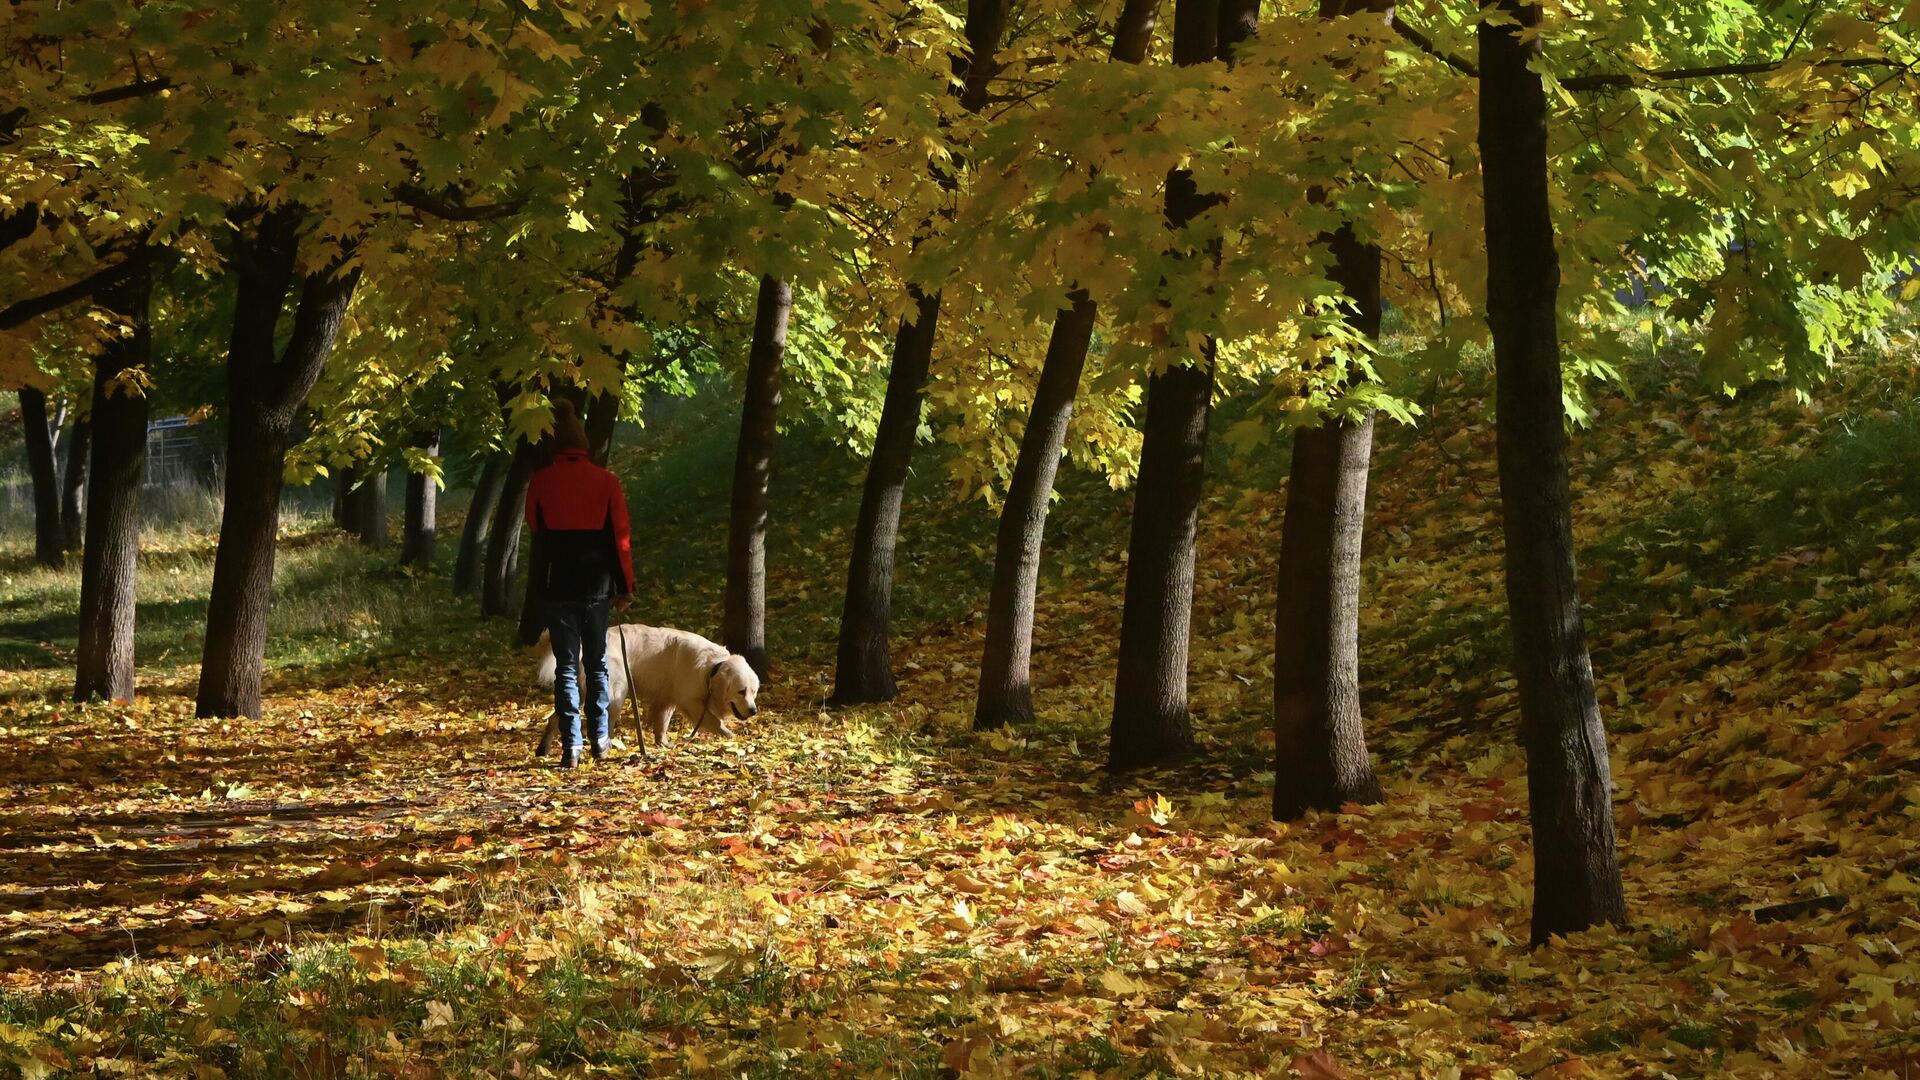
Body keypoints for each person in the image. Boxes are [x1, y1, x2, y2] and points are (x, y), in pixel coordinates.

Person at [524, 399, 634, 769]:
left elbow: (535, 528)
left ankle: (571, 745)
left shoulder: (541, 481)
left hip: (560, 588)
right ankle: (600, 739)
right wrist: (626, 586)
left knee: (567, 667)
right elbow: (620, 538)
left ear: (555, 444)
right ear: (584, 443)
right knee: (598, 664)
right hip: (597, 588)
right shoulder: (607, 482)